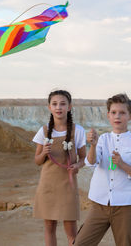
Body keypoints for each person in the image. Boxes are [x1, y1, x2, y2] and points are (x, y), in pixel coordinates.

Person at [74, 93, 131, 246]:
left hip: (125, 207)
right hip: (100, 205)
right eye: (114, 112)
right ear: (108, 115)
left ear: (130, 116)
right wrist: (93, 145)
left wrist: (123, 165)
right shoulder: (103, 139)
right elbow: (91, 162)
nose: (118, 116)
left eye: (122, 113)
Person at [33, 90, 86, 246]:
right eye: (55, 104)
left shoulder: (78, 131)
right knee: (49, 227)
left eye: (63, 104)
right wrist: (43, 152)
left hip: (68, 186)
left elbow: (84, 158)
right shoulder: (43, 132)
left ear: (69, 107)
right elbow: (37, 161)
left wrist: (77, 165)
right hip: (47, 186)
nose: (59, 107)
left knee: (71, 230)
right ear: (49, 107)